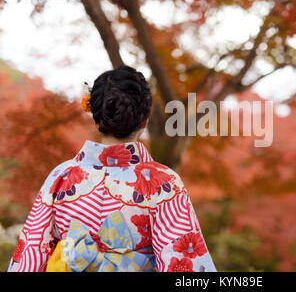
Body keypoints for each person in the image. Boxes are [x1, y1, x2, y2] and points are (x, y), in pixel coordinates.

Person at [7, 65, 216, 272]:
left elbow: (29, 257)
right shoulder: (165, 184)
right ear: (145, 118)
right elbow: (183, 264)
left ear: (95, 115)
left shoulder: (60, 177)